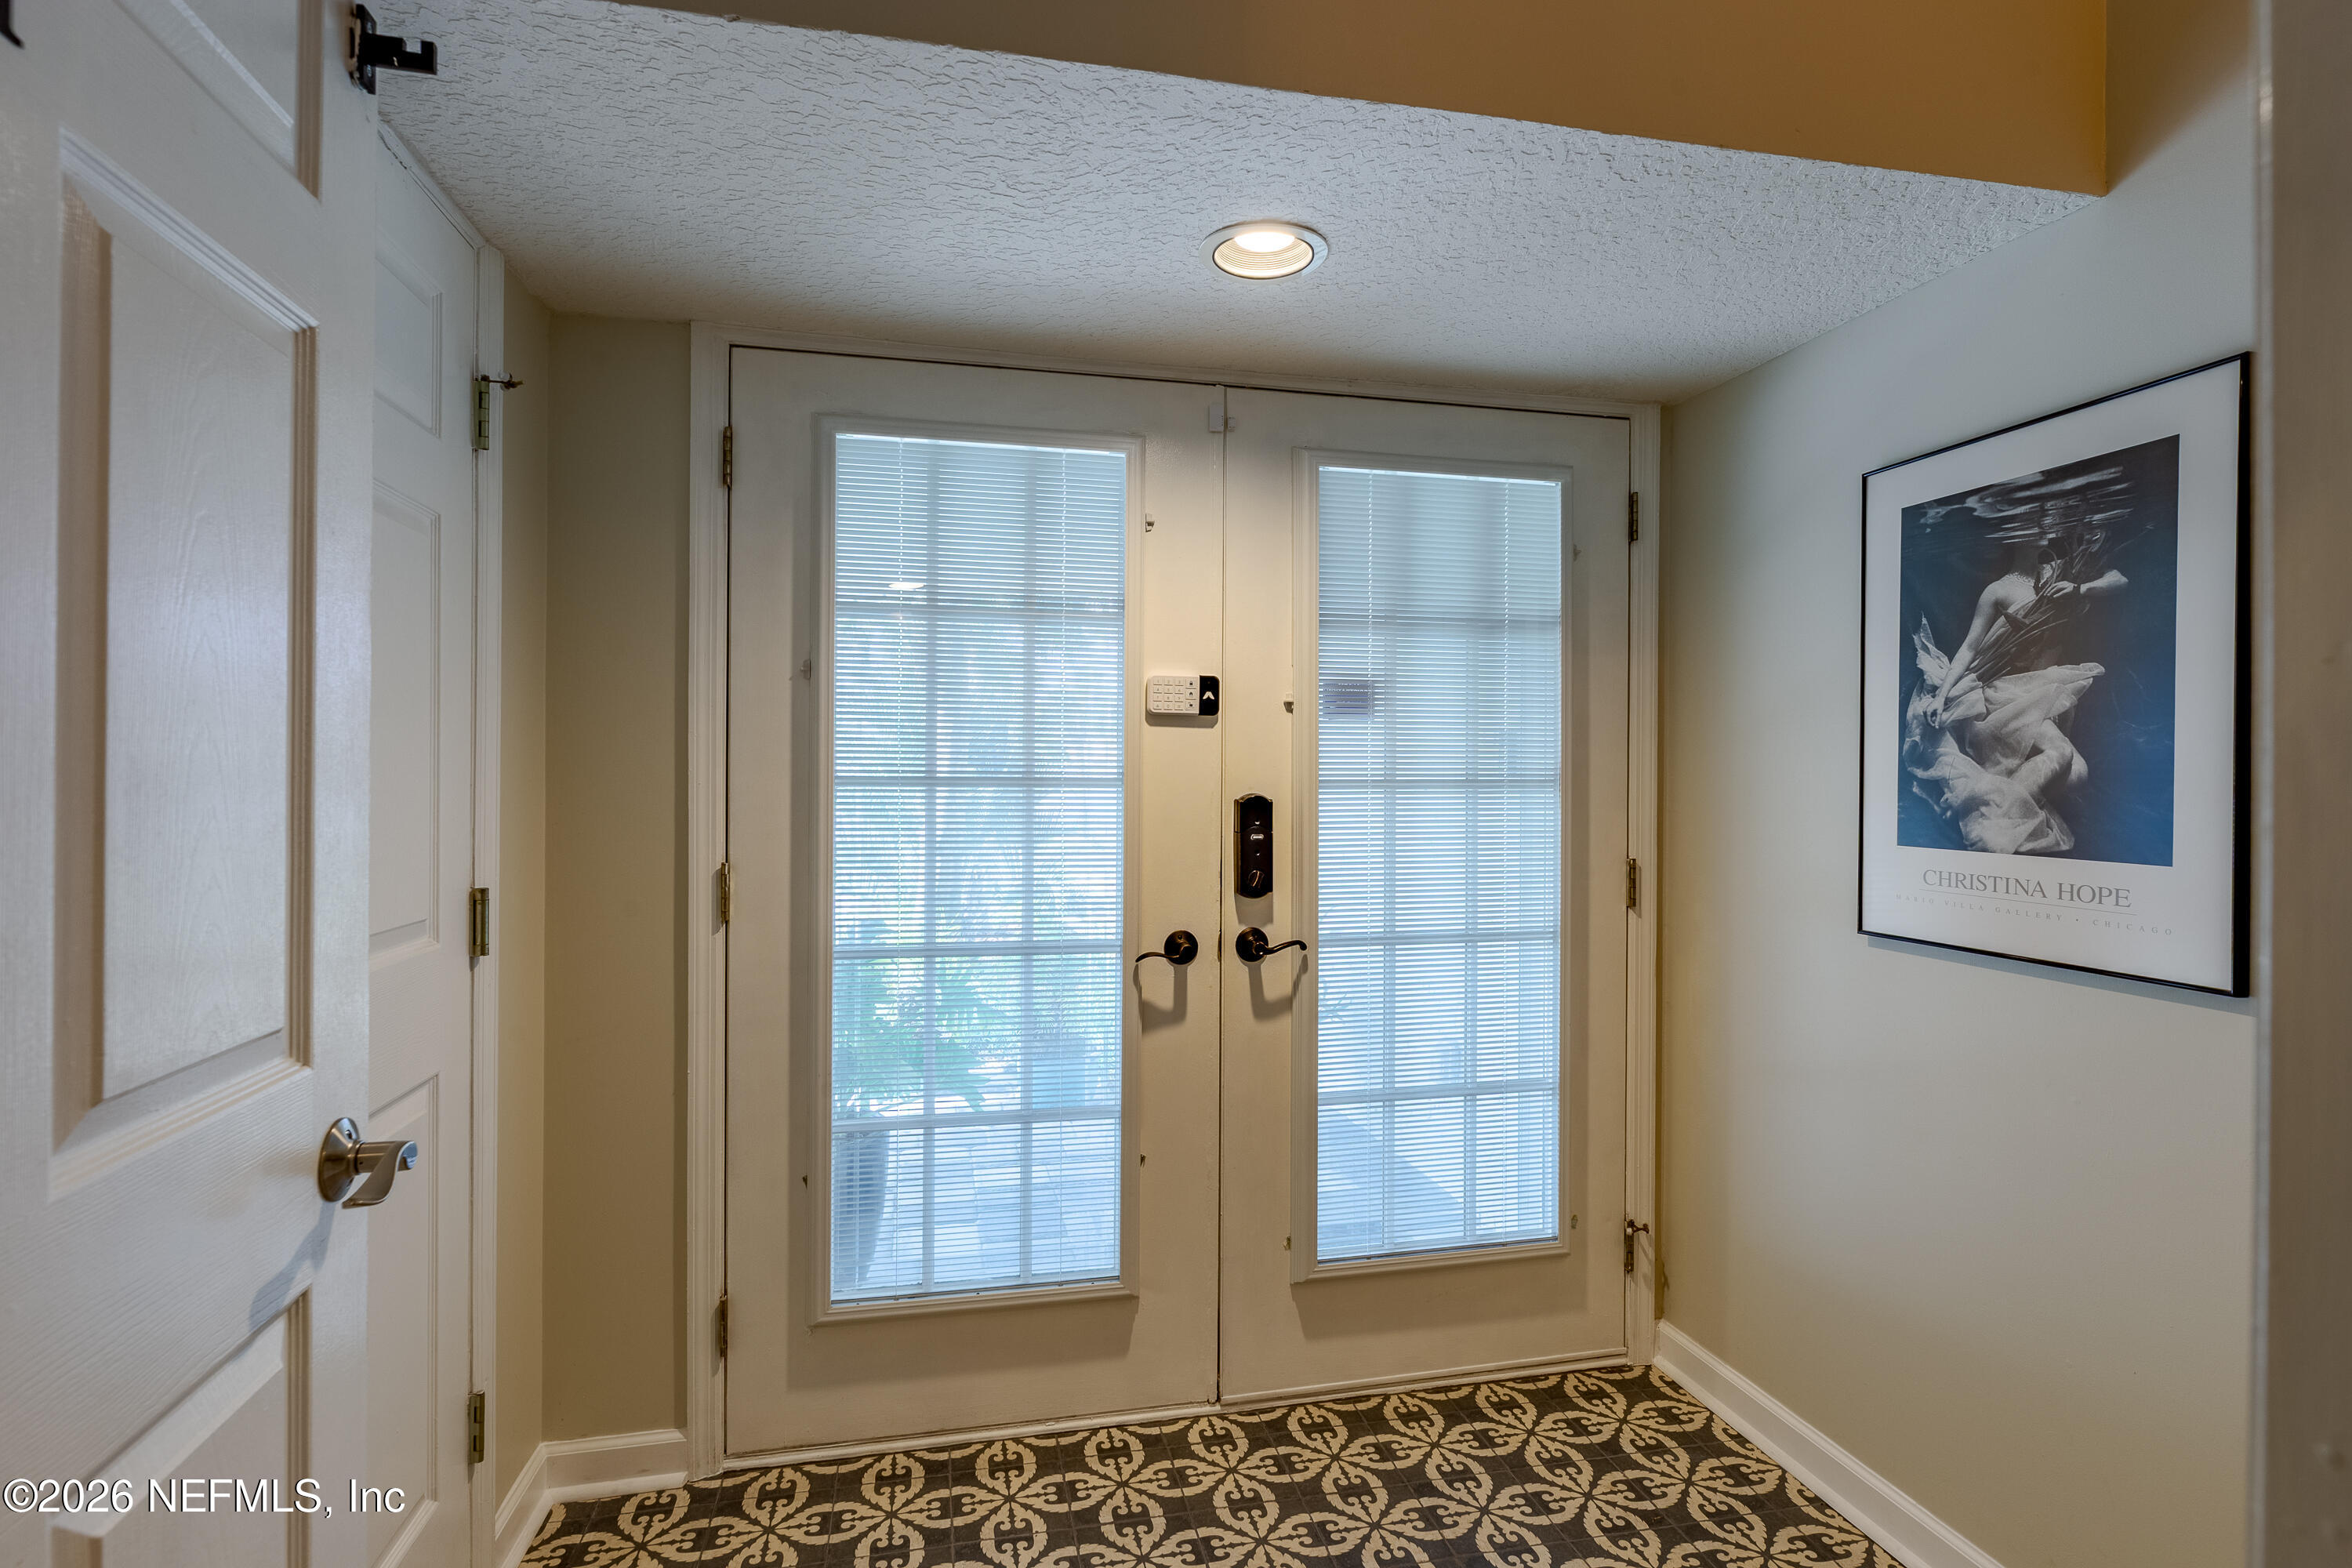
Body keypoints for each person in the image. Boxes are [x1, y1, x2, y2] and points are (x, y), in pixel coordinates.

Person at [1905, 533, 2126, 855]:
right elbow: (1969, 648)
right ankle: (1989, 817)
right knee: (2061, 756)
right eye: (2033, 524)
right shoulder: (1997, 591)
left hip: (2041, 690)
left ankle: (1998, 788)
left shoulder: (2062, 573)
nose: (2045, 526)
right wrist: (1942, 694)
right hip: (2005, 694)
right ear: (2014, 538)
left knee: (2078, 776)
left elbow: (2120, 580)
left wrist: (2080, 590)